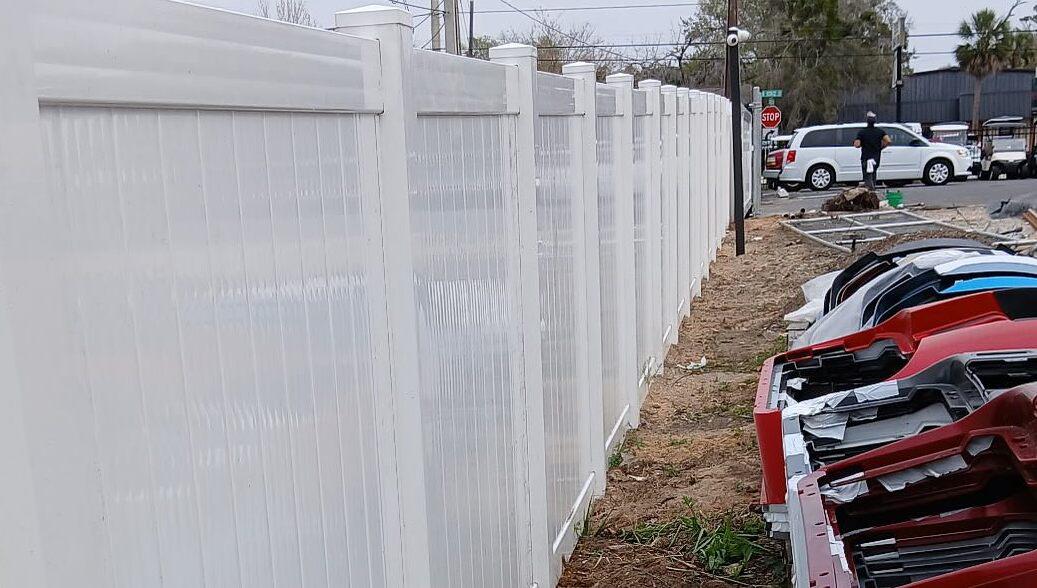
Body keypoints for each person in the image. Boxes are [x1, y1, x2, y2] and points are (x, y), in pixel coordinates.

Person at [853, 112, 891, 190]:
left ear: (867, 121)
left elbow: (857, 144)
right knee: (873, 173)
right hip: (875, 158)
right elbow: (888, 141)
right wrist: (881, 147)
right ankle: (873, 187)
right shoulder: (880, 131)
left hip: (866, 158)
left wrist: (860, 143)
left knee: (867, 175)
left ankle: (870, 190)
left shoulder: (862, 132)